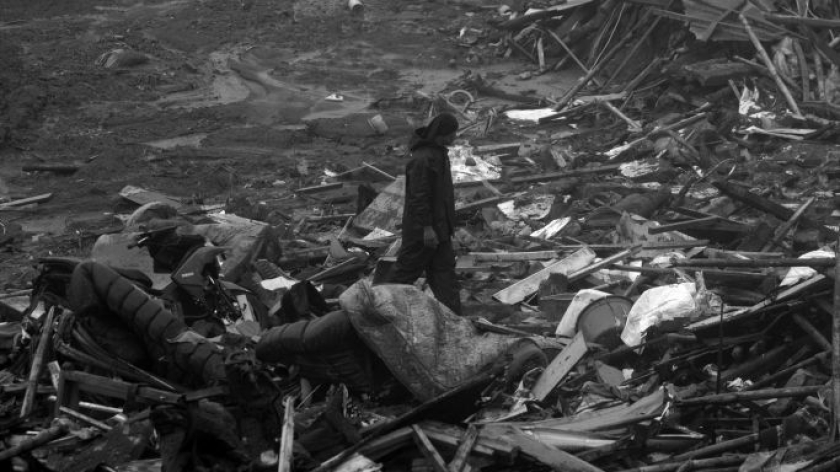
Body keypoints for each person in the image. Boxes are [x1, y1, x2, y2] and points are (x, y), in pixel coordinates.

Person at [382, 112, 462, 315]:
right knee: (404, 274)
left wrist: (448, 228)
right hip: (422, 232)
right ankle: (382, 310)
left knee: (445, 277)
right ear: (442, 133)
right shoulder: (422, 159)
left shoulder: (439, 153)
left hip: (441, 230)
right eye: (452, 133)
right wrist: (427, 229)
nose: (455, 137)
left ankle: (454, 319)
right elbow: (419, 197)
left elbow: (442, 196)